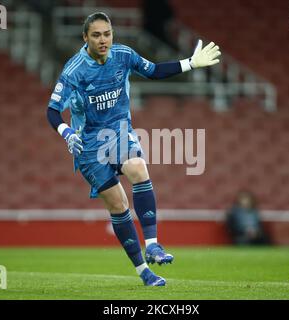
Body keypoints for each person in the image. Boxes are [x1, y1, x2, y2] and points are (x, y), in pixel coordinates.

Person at [47, 12, 221, 286]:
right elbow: (53, 111)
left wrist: (190, 63)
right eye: (96, 35)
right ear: (85, 38)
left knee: (138, 168)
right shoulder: (74, 70)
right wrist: (66, 131)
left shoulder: (123, 55)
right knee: (118, 205)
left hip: (117, 132)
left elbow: (152, 71)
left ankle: (152, 245)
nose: (103, 40)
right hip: (88, 146)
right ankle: (143, 271)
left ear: (112, 34)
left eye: (107, 33)